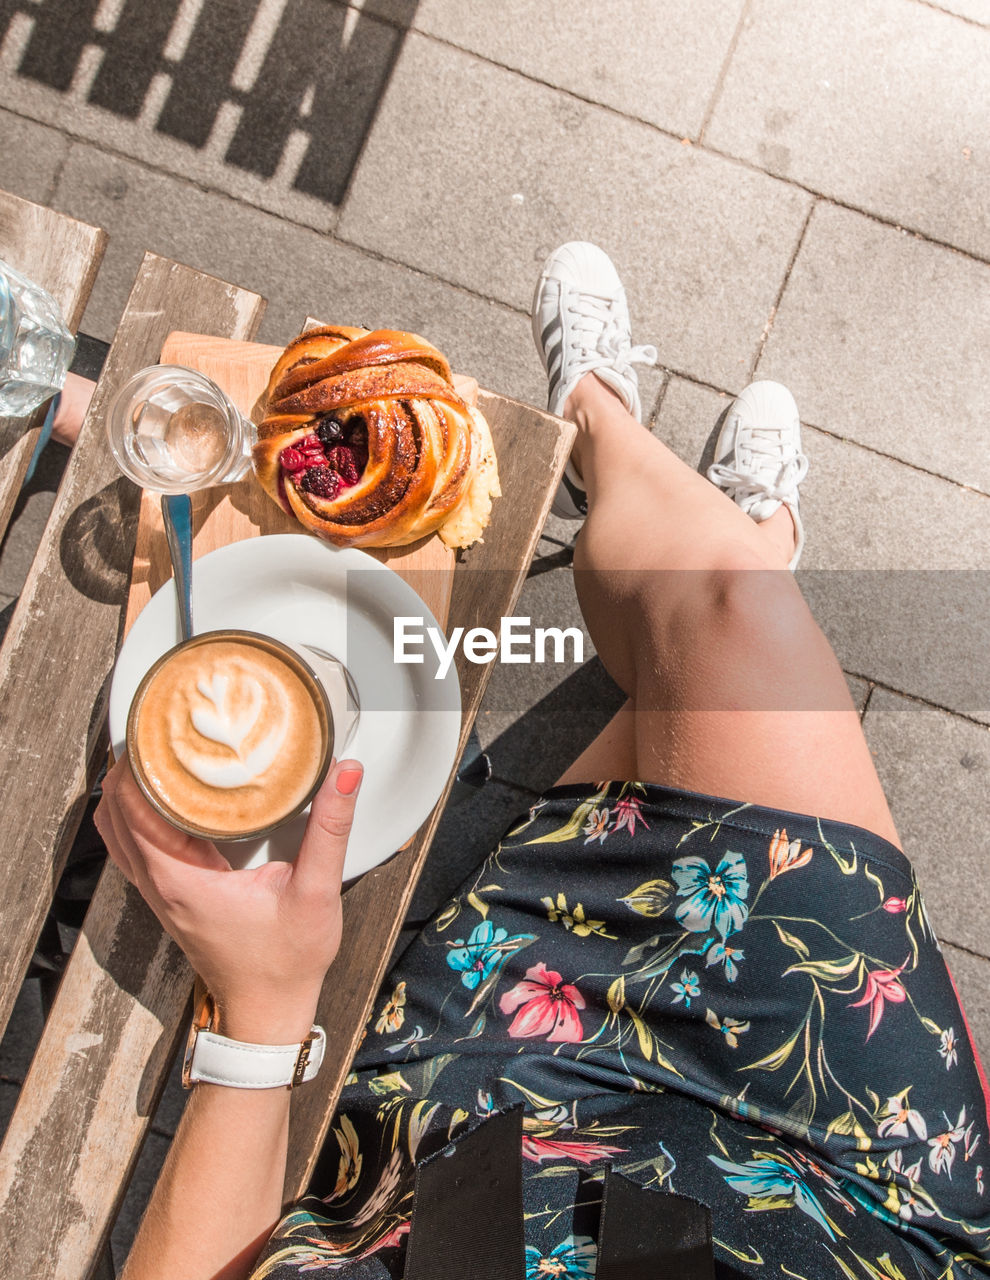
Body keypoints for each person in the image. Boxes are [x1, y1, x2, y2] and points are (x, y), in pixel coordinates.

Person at [95, 243, 990, 1279]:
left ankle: (676, 501)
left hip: (489, 1141)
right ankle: (607, 436)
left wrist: (264, 1000)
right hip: (843, 1180)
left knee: (699, 652)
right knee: (733, 612)